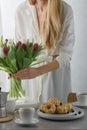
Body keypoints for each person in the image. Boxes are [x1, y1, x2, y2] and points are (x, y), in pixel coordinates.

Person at [14, 0, 75, 103]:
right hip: (30, 85)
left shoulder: (65, 10)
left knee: (56, 114)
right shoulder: (21, 10)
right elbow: (19, 49)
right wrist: (13, 67)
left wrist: (38, 71)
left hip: (56, 82)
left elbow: (66, 55)